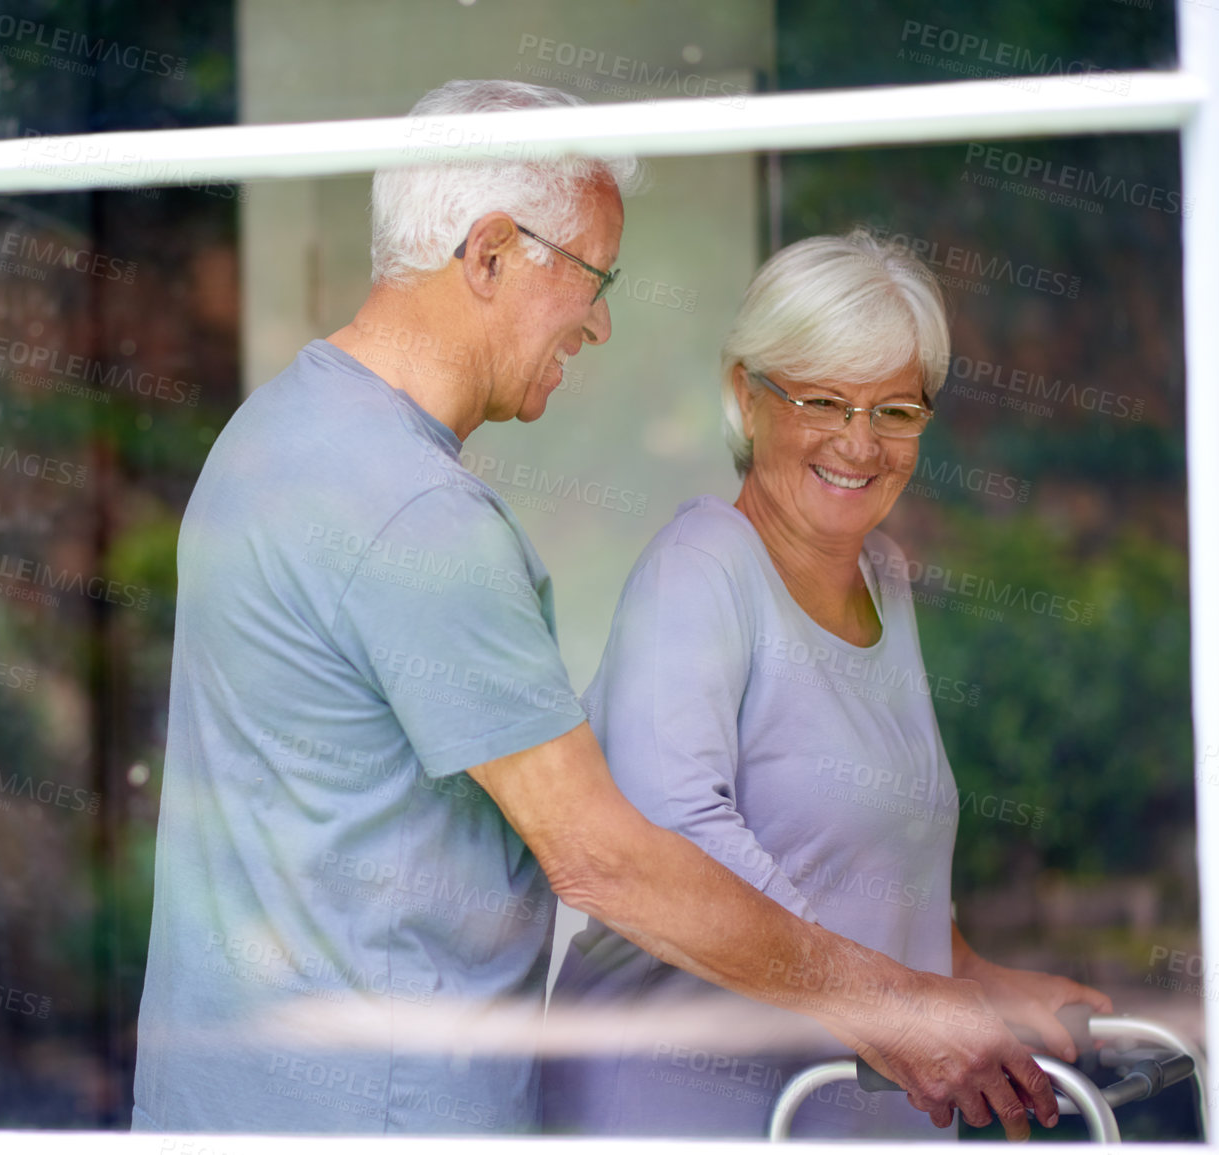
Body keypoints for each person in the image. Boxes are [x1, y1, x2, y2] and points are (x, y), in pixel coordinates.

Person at [132, 82, 1063, 1138]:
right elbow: (603, 855)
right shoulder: (415, 514)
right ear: (486, 255)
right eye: (588, 276)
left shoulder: (277, 431)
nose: (602, 319)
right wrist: (890, 1006)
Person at [539, 230, 1113, 1139]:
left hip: (841, 1112)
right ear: (746, 395)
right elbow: (673, 843)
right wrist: (894, 1006)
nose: (859, 441)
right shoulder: (700, 569)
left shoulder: (881, 575)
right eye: (823, 399)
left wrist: (973, 978)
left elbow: (876, 863)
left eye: (895, 410)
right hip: (680, 1112)